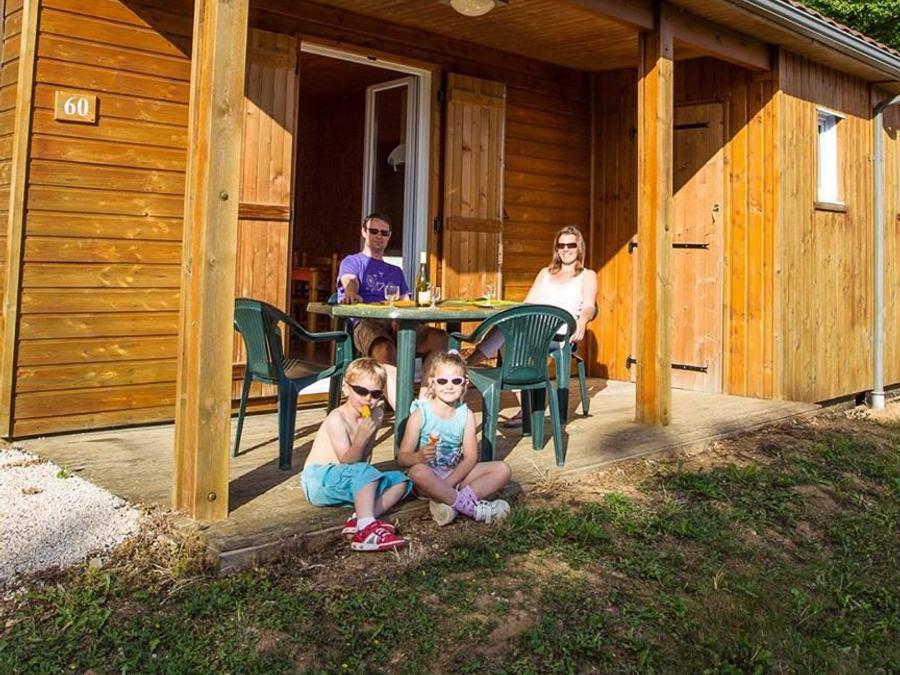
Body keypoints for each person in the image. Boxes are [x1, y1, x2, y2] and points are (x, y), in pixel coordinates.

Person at [467, 225, 598, 426]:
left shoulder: (587, 275)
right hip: (534, 327)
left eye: (571, 245)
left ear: (579, 247)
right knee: (506, 328)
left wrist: (583, 320)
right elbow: (527, 304)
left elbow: (589, 305)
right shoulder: (546, 273)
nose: (565, 249)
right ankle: (524, 408)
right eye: (561, 245)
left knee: (506, 330)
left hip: (559, 334)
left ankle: (466, 366)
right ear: (556, 248)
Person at [337, 212, 448, 406]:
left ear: (389, 236)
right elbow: (350, 280)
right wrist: (351, 292)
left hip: (396, 322)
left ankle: (423, 401)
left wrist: (402, 318)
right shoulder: (353, 261)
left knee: (440, 338)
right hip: (366, 322)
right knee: (385, 348)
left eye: (384, 233)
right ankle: (404, 410)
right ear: (364, 232)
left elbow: (406, 300)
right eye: (374, 231)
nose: (379, 236)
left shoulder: (396, 271)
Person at [301, 358, 411, 552]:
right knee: (365, 472)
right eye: (361, 391)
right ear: (346, 389)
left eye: (375, 394)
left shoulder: (375, 414)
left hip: (350, 477)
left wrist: (367, 435)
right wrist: (361, 437)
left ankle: (361, 520)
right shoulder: (337, 418)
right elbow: (347, 462)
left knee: (401, 481)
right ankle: (367, 529)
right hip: (320, 479)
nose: (368, 399)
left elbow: (364, 459)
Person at [397, 350, 512, 526]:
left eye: (456, 381)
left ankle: (449, 503)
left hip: (454, 475)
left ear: (465, 384)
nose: (449, 386)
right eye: (442, 381)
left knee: (502, 469)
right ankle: (473, 509)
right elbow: (402, 457)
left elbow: (470, 458)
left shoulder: (466, 415)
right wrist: (418, 457)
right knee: (417, 472)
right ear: (432, 383)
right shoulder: (421, 414)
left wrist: (449, 483)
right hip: (427, 479)